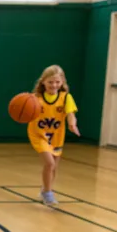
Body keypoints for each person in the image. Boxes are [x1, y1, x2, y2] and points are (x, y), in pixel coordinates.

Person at [28, 64, 80, 205]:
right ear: (43, 81)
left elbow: (70, 114)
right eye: (50, 82)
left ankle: (46, 188)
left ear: (62, 82)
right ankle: (47, 193)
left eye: (57, 82)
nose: (54, 85)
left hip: (56, 136)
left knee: (53, 167)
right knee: (49, 163)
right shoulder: (34, 98)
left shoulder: (65, 97)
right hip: (39, 135)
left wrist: (72, 124)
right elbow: (25, 113)